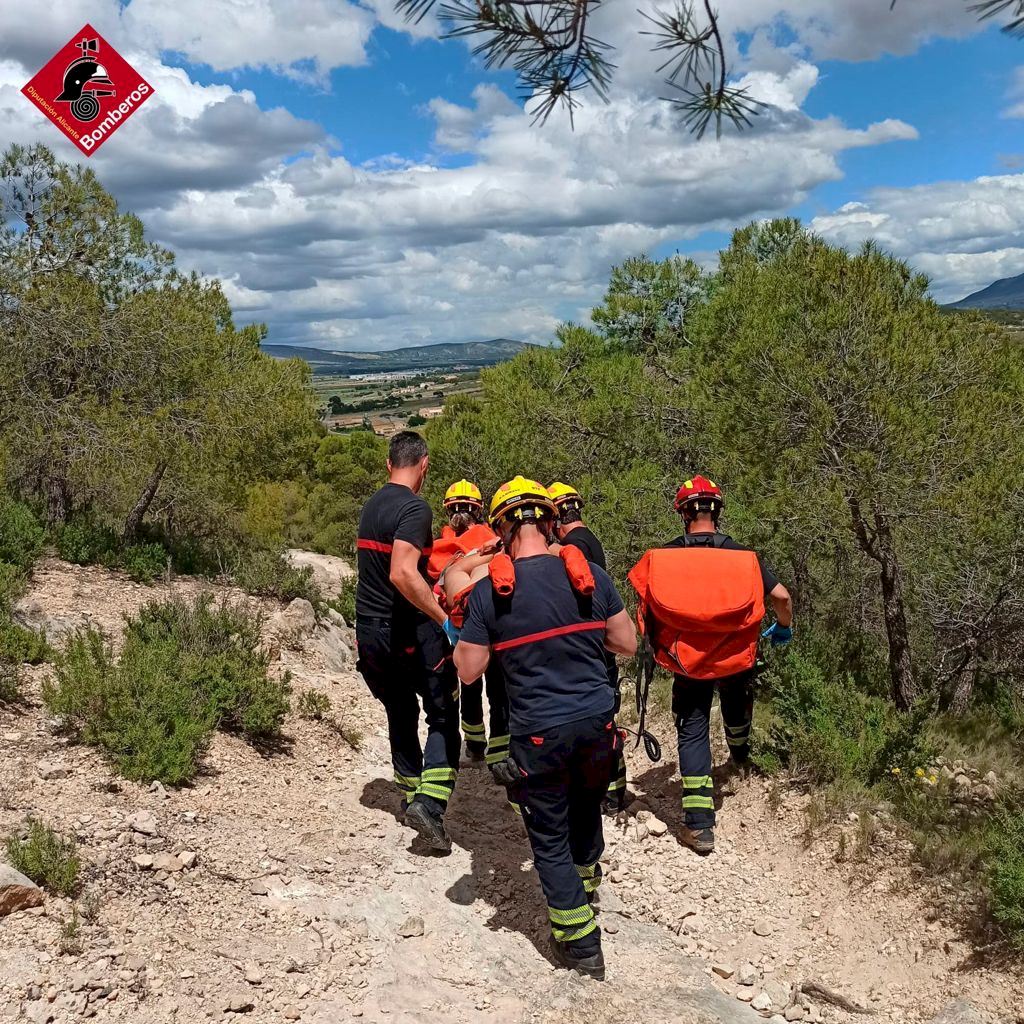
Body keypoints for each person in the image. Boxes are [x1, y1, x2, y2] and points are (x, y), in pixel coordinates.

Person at [455, 477, 637, 980]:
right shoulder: (591, 576)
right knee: (586, 808)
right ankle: (586, 886)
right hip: (598, 724)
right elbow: (627, 643)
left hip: (538, 733)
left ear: (501, 531)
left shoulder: (490, 594)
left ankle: (580, 944)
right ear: (551, 521)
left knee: (549, 836)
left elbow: (468, 671)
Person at [629, 475, 793, 856]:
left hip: (687, 660)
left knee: (693, 729)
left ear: (683, 514)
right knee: (737, 703)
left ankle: (700, 826)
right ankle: (740, 757)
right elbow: (782, 598)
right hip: (734, 655)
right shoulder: (744, 558)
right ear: (717, 512)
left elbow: (644, 613)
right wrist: (783, 627)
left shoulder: (663, 558)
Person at [354, 431, 461, 852]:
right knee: (442, 713)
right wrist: (443, 619)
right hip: (405, 630)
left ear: (388, 464)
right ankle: (430, 805)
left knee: (399, 709)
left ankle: (412, 794)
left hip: (368, 631)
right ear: (424, 465)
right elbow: (402, 572)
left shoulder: (371, 506)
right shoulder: (414, 507)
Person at [548, 482, 628, 814]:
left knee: (600, 724)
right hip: (599, 645)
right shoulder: (588, 539)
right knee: (602, 720)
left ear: (555, 518)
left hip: (589, 650)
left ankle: (609, 792)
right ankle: (612, 790)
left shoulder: (573, 547)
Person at [427, 480, 511, 769]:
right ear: (478, 509)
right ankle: (501, 749)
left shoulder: (441, 547)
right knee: (498, 688)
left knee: (469, 685)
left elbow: (435, 585)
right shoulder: (493, 539)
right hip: (496, 623)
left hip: (460, 629)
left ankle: (475, 746)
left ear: (448, 511)